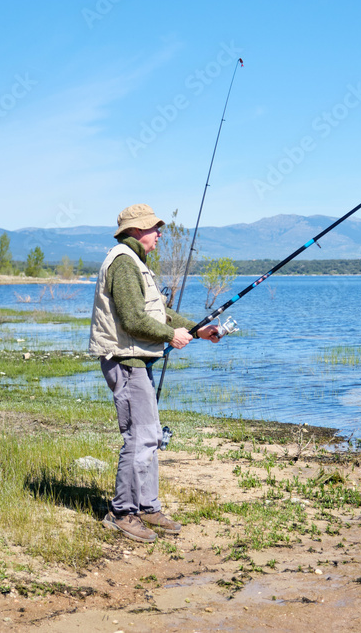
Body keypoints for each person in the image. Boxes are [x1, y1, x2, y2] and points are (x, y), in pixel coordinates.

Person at [90, 204, 221, 543]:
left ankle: (147, 507)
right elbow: (134, 320)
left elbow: (158, 312)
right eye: (154, 228)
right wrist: (170, 336)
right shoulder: (122, 262)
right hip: (125, 362)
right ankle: (121, 512)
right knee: (142, 436)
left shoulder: (135, 262)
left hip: (138, 361)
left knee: (149, 435)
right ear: (136, 230)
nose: (160, 233)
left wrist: (198, 329)